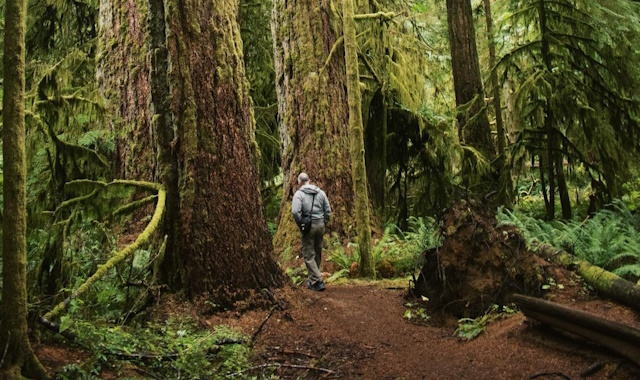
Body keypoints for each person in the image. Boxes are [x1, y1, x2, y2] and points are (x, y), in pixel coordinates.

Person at [292, 172, 331, 291]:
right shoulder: (321, 192)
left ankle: (318, 280)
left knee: (308, 254)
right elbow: (328, 210)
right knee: (317, 251)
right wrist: (324, 222)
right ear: (309, 180)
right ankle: (313, 280)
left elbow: (295, 211)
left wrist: (301, 223)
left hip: (309, 226)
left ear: (299, 182)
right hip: (320, 224)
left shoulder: (299, 194)